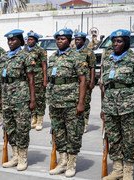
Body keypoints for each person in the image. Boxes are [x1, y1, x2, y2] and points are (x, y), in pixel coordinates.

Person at [101, 29, 134, 180]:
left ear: (126, 42)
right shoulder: (107, 61)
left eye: (119, 41)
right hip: (110, 107)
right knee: (114, 138)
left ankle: (128, 171)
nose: (116, 44)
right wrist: (103, 108)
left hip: (130, 107)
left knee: (130, 139)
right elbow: (104, 86)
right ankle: (117, 170)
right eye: (114, 41)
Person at [47, 29, 87, 177]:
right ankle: (62, 161)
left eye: (63, 39)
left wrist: (81, 102)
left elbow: (83, 80)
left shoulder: (76, 57)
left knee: (73, 133)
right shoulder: (52, 58)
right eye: (57, 39)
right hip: (55, 102)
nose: (59, 41)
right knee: (59, 132)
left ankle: (71, 163)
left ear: (69, 40)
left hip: (71, 101)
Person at [1, 29, 35, 171]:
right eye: (9, 40)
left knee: (22, 127)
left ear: (20, 41)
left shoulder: (25, 56)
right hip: (6, 96)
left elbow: (31, 79)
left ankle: (22, 157)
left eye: (13, 39)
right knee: (9, 126)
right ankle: (15, 155)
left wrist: (33, 99)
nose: (10, 42)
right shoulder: (4, 57)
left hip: (21, 96)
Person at [23, 31, 47, 131]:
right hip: (27, 79)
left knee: (39, 99)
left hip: (38, 78)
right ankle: (34, 118)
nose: (29, 41)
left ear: (36, 41)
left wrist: (45, 79)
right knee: (30, 98)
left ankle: (40, 119)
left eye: (32, 39)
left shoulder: (40, 50)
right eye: (28, 39)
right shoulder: (24, 50)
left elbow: (44, 65)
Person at [74, 32, 96, 133]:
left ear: (83, 41)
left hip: (86, 81)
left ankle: (85, 122)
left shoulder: (89, 52)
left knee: (85, 102)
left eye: (79, 39)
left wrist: (92, 81)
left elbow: (92, 67)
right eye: (76, 39)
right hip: (75, 81)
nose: (77, 41)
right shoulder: (73, 51)